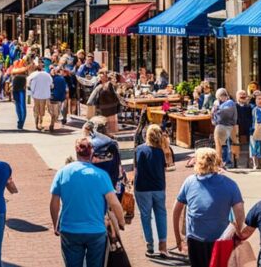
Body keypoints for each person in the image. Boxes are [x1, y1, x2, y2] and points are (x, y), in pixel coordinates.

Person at [49, 137, 125, 267]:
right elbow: (114, 203)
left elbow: (54, 202)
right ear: (92, 152)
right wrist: (121, 221)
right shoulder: (101, 175)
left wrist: (55, 223)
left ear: (76, 151)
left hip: (70, 229)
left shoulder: (62, 172)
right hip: (95, 230)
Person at [173, 148, 245, 267]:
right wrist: (237, 234)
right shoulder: (230, 184)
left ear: (197, 163)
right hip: (220, 239)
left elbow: (176, 211)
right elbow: (240, 213)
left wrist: (178, 237)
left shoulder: (189, 182)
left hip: (195, 239)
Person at [134, 125, 170, 259]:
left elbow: (136, 168)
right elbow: (163, 170)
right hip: (158, 187)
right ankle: (163, 245)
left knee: (145, 216)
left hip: (142, 188)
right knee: (161, 215)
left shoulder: (139, 150)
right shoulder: (160, 152)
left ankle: (150, 245)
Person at [211, 88, 237, 167]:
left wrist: (216, 109)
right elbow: (213, 113)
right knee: (221, 145)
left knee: (226, 145)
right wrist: (214, 121)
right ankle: (222, 162)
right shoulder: (217, 103)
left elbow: (223, 112)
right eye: (220, 96)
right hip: (220, 126)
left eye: (223, 95)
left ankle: (227, 162)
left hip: (228, 126)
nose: (222, 97)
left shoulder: (230, 102)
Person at [28, 64, 53, 131]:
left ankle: (37, 123)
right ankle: (40, 122)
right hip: (44, 95)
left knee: (36, 109)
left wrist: (31, 93)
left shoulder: (34, 75)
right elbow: (51, 84)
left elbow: (32, 86)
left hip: (36, 95)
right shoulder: (47, 75)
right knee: (42, 109)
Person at [233, 90, 253, 169]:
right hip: (237, 128)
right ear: (236, 96)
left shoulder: (249, 106)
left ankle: (249, 162)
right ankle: (236, 162)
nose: (242, 95)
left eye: (244, 94)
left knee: (248, 146)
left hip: (247, 128)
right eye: (240, 94)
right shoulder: (234, 105)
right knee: (236, 146)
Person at [10, 62, 28, 130]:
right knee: (18, 105)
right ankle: (20, 122)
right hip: (16, 88)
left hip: (20, 88)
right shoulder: (15, 69)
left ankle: (21, 122)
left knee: (21, 106)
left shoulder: (24, 70)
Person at [49, 67, 68, 132]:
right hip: (59, 98)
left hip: (52, 97)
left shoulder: (50, 78)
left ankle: (52, 124)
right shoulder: (61, 79)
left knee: (52, 112)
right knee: (56, 112)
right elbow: (64, 89)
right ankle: (52, 124)